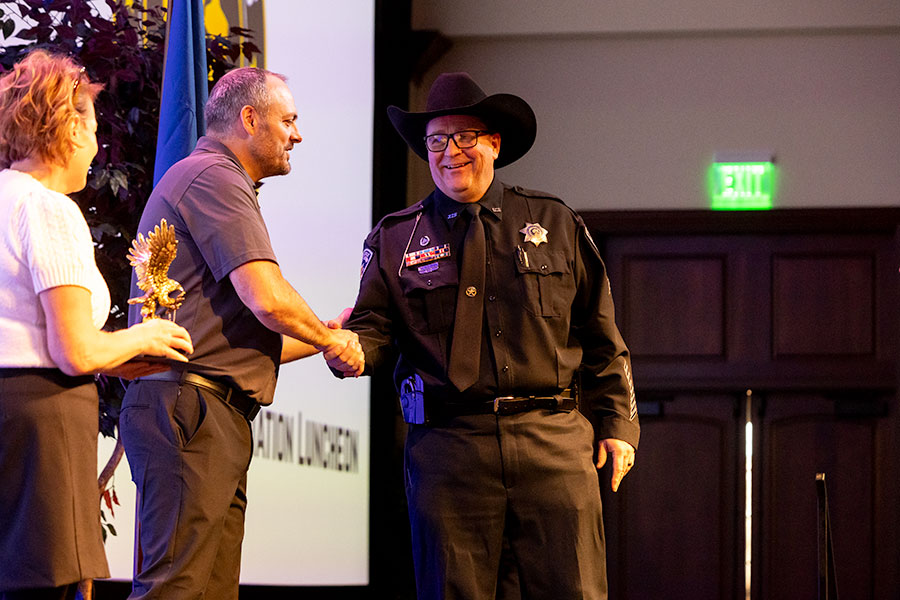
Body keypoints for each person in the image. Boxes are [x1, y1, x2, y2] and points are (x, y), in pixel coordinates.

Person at [339, 72, 640, 599]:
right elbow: (372, 332)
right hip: (449, 449)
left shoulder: (555, 221)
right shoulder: (395, 238)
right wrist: (350, 352)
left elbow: (601, 333)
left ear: (494, 144)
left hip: (552, 441)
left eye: (464, 137)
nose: (450, 152)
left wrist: (618, 424)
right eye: (436, 140)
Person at [118, 66, 364, 600]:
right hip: (190, 411)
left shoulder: (215, 178)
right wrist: (331, 342)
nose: (297, 135)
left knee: (209, 592)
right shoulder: (215, 176)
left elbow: (244, 333)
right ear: (249, 118)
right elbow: (267, 299)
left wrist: (330, 331)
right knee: (175, 590)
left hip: (206, 413)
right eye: (288, 120)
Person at [0, 51, 194, 600]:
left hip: (12, 415)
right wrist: (146, 335)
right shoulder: (47, 208)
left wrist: (116, 357)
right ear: (68, 128)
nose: (96, 144)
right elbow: (75, 353)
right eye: (91, 126)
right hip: (42, 422)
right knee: (47, 588)